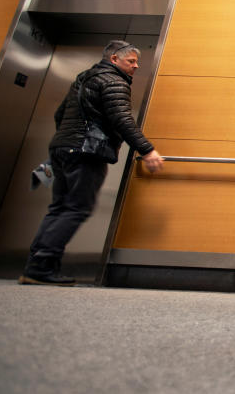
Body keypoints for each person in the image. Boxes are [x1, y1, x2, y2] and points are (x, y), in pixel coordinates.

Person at [19, 40, 164, 286]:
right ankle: (41, 267)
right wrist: (147, 150)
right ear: (114, 59)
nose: (136, 66)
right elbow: (121, 119)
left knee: (59, 208)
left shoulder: (84, 78)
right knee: (77, 208)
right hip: (87, 151)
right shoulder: (114, 81)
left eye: (137, 61)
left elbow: (59, 114)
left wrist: (66, 141)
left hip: (62, 148)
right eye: (131, 61)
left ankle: (38, 265)